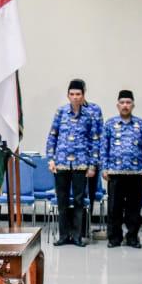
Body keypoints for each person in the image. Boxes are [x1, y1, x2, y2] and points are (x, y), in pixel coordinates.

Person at [46, 79, 101, 247]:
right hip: (61, 163)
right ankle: (63, 235)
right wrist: (50, 159)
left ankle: (77, 236)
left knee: (79, 200)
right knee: (62, 200)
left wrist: (92, 165)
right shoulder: (61, 112)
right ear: (68, 95)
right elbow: (52, 136)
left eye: (78, 94)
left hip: (81, 164)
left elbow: (95, 140)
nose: (75, 97)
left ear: (83, 95)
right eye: (72, 94)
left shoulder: (89, 115)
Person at [101, 89, 142, 248]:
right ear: (117, 105)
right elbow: (104, 148)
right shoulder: (110, 124)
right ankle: (114, 238)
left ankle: (132, 237)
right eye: (122, 103)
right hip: (115, 172)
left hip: (136, 173)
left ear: (133, 105)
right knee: (114, 207)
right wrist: (104, 168)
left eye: (128, 102)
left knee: (134, 208)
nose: (125, 105)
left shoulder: (141, 124)